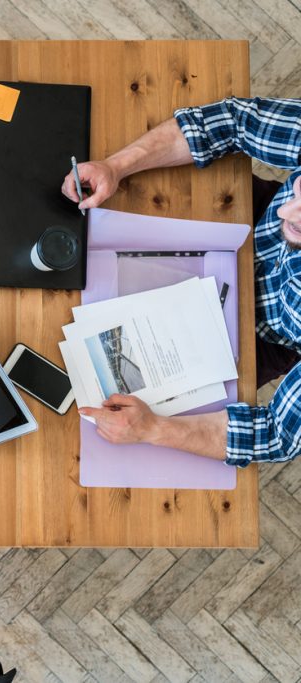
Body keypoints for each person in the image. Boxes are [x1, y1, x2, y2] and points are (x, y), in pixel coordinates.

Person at [62, 97, 301, 466]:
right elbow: (233, 122)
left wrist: (153, 429)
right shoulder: (284, 212)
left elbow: (277, 432)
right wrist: (116, 166)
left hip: (263, 335)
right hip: (248, 218)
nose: (290, 209)